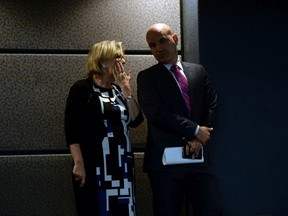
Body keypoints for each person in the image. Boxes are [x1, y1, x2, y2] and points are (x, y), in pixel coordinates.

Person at [137, 23, 222, 216]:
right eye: (152, 45)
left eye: (162, 41)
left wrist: (200, 136)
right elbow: (157, 114)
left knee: (212, 210)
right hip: (165, 164)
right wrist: (194, 130)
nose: (158, 48)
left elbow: (212, 104)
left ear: (175, 39)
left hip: (197, 159)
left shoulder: (198, 71)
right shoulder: (147, 78)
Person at [65, 40, 143, 216]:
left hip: (122, 164)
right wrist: (78, 164)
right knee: (97, 209)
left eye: (123, 57)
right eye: (117, 57)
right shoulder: (82, 89)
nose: (122, 61)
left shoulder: (118, 91)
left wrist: (126, 90)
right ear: (102, 61)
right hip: (96, 166)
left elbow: (136, 120)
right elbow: (72, 130)